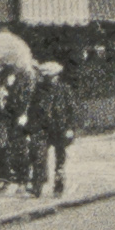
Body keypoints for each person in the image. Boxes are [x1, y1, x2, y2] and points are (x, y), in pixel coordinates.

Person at [29, 61, 79, 199]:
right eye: (47, 77)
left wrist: (70, 128)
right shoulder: (38, 91)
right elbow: (32, 110)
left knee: (60, 160)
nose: (51, 79)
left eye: (52, 76)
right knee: (39, 156)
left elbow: (72, 110)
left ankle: (58, 186)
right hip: (42, 128)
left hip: (60, 128)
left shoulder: (64, 90)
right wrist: (31, 128)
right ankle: (37, 186)